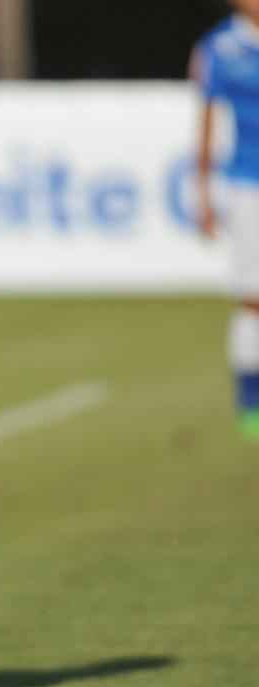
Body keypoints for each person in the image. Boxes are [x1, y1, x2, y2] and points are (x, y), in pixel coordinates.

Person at [194, 0, 259, 439]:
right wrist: (202, 190)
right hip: (248, 184)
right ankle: (250, 398)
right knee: (254, 295)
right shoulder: (219, 48)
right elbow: (207, 120)